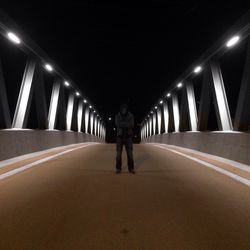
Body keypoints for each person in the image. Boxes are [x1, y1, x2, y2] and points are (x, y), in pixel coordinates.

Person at [115, 104, 135, 174]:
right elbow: (117, 124)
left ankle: (131, 169)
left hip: (128, 137)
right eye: (122, 109)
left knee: (130, 154)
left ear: (127, 109)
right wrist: (126, 124)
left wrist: (122, 124)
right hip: (119, 137)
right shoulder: (117, 116)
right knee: (118, 154)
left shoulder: (131, 116)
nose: (124, 110)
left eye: (125, 109)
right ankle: (118, 168)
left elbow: (132, 124)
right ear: (121, 109)